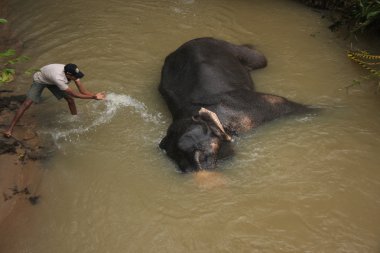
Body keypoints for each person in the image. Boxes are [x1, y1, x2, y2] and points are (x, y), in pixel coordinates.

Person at [3, 63, 106, 138]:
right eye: (75, 77)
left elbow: (82, 90)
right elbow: (74, 94)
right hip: (41, 79)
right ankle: (10, 128)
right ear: (68, 75)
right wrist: (93, 98)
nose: (77, 78)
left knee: (69, 100)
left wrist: (95, 95)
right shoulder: (58, 78)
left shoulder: (71, 71)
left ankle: (75, 118)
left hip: (51, 79)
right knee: (27, 103)